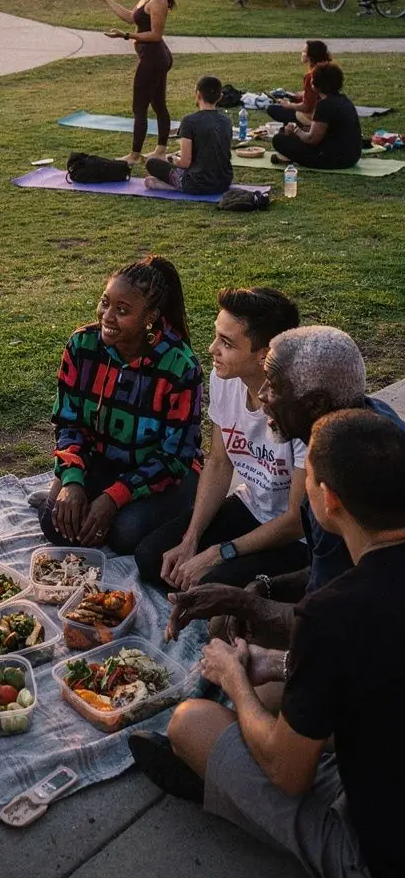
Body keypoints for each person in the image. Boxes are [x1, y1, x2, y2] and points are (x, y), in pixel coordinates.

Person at [130, 409, 405, 878]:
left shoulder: (336, 611)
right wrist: (280, 663)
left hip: (377, 853)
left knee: (192, 722)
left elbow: (287, 772)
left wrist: (234, 677)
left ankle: (223, 790)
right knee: (276, 694)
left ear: (328, 501)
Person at [166, 324, 405, 647]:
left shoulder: (342, 481)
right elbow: (333, 576)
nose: (262, 396)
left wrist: (244, 603)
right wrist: (264, 587)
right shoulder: (358, 426)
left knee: (230, 638)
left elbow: (332, 621)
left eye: (274, 386)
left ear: (316, 404)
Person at [135, 287, 305, 589]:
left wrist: (220, 553)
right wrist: (192, 538)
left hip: (297, 536)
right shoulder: (224, 379)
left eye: (226, 342)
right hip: (251, 506)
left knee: (211, 584)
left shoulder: (299, 407)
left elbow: (297, 520)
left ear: (264, 354)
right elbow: (218, 461)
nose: (213, 348)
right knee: (152, 558)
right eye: (217, 335)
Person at [37, 256, 204, 554]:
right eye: (105, 302)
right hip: (102, 459)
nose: (107, 316)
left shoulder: (180, 366)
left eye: (122, 310)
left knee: (125, 533)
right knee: (57, 523)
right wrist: (73, 480)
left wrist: (113, 497)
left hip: (164, 473)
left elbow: (176, 456)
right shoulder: (81, 347)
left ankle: (194, 507)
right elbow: (67, 422)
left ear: (150, 318)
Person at [89, 0, 175, 164]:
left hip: (154, 58)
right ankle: (160, 151)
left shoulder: (159, 0)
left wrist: (126, 36)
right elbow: (130, 17)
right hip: (153, 57)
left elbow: (156, 35)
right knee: (157, 105)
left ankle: (136, 155)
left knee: (140, 107)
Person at [144, 75, 233, 194]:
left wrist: (172, 159)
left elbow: (185, 163)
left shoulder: (189, 121)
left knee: (152, 163)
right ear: (220, 97)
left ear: (198, 94)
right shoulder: (226, 121)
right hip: (224, 182)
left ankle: (174, 185)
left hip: (197, 183)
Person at [271, 61, 362, 171]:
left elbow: (312, 139)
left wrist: (295, 129)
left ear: (315, 84)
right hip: (352, 156)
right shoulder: (344, 99)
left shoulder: (324, 104)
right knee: (285, 133)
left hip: (334, 159)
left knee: (279, 139)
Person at [266, 39, 331, 126]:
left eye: (304, 51)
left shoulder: (311, 76)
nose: (302, 52)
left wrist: (288, 105)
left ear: (311, 55)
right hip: (328, 112)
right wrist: (297, 96)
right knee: (291, 99)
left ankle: (298, 126)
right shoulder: (329, 69)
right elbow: (316, 95)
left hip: (313, 117)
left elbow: (306, 107)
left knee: (272, 109)